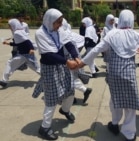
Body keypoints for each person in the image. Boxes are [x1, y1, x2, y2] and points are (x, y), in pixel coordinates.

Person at [78, 9, 139, 141]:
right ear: (132, 20)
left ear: (119, 19)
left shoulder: (112, 34)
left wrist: (82, 63)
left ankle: (114, 124)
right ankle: (129, 133)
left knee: (115, 100)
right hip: (129, 75)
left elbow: (96, 50)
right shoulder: (134, 34)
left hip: (114, 74)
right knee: (130, 104)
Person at [33, 8, 80, 140]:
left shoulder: (59, 30)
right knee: (52, 99)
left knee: (70, 90)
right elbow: (48, 55)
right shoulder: (40, 33)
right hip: (50, 68)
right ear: (49, 21)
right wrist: (67, 62)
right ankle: (45, 127)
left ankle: (65, 110)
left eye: (60, 22)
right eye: (57, 22)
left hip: (62, 65)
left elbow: (69, 44)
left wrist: (76, 57)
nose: (59, 25)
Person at [0, 19, 40, 88]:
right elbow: (19, 43)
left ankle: (50, 78)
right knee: (10, 63)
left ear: (13, 25)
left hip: (27, 55)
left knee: (37, 68)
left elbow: (27, 41)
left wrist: (31, 49)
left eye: (10, 26)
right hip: (22, 54)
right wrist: (8, 43)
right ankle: (4, 80)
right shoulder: (19, 31)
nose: (9, 27)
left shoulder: (17, 33)